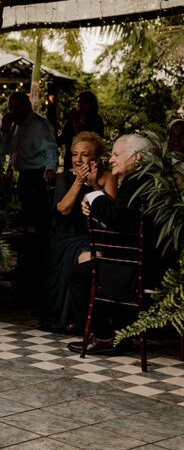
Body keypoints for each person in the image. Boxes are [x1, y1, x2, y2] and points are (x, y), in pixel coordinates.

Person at [67, 134, 173, 355]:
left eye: (116, 154)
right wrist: (95, 196)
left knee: (80, 274)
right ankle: (118, 334)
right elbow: (123, 216)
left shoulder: (136, 182)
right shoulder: (151, 179)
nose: (111, 159)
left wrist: (95, 196)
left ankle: (104, 336)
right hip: (144, 260)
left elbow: (117, 219)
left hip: (135, 265)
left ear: (135, 157)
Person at [39, 132, 117, 332]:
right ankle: (74, 318)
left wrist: (91, 183)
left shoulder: (107, 176)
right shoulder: (64, 177)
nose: (78, 160)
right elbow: (63, 209)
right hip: (66, 235)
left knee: (97, 257)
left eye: (84, 155)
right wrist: (78, 182)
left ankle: (94, 321)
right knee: (85, 257)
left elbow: (109, 212)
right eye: (75, 154)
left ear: (96, 158)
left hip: (95, 233)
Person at [2, 92, 60, 275]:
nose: (12, 111)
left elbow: (51, 148)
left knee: (35, 224)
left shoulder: (38, 124)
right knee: (24, 223)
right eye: (10, 108)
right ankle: (25, 266)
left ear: (27, 106)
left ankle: (35, 268)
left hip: (37, 176)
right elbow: (7, 149)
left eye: (16, 107)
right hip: (25, 176)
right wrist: (4, 129)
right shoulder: (17, 126)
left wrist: (50, 170)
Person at [58, 91, 105, 169]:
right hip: (70, 162)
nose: (80, 105)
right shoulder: (73, 119)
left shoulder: (96, 120)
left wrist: (76, 121)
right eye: (79, 102)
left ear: (91, 104)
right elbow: (63, 138)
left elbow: (86, 140)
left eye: (84, 102)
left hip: (87, 163)